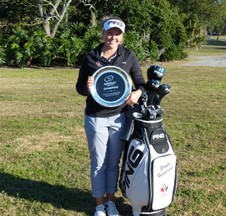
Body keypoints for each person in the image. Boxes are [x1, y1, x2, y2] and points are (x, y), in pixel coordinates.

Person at [76, 16, 145, 216]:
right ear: (103, 33)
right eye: (109, 32)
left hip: (120, 118)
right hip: (95, 117)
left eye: (117, 34)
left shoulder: (128, 56)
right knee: (98, 162)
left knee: (114, 162)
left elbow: (140, 82)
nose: (112, 37)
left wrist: (137, 93)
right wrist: (88, 88)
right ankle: (99, 205)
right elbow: (79, 86)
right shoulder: (91, 56)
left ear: (122, 36)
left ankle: (110, 201)